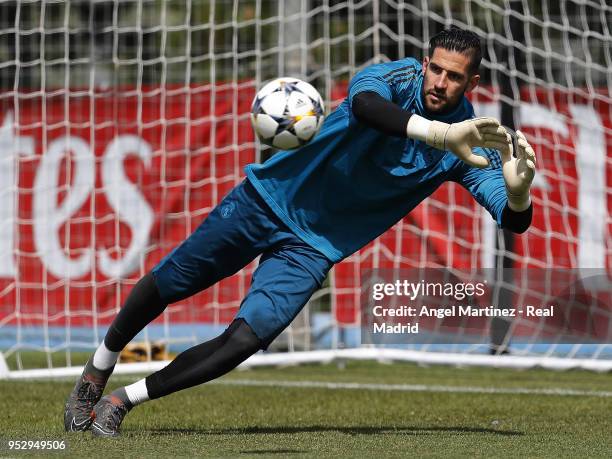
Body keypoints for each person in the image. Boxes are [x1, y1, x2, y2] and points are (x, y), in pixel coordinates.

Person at [64, 27, 536, 437]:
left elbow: (511, 219)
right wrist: (438, 134)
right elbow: (367, 106)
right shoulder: (396, 77)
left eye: (454, 77)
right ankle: (98, 369)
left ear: (471, 82)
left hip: (312, 247)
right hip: (266, 200)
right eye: (436, 69)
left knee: (247, 339)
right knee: (171, 283)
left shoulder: (473, 138)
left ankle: (124, 399)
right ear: (425, 62)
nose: (440, 82)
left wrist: (517, 194)